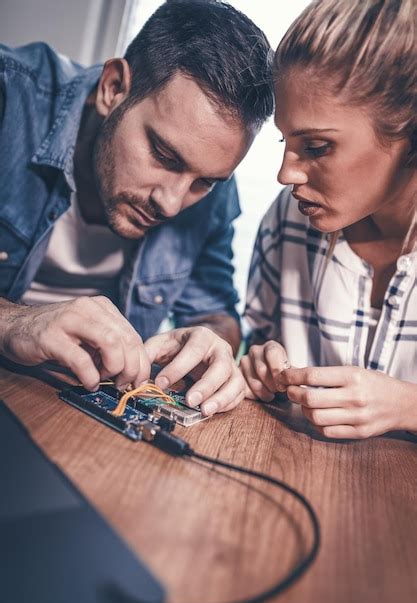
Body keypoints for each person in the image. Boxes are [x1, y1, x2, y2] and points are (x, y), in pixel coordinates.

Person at [0, 0, 274, 417]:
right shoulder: (10, 98)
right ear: (113, 88)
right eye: (164, 155)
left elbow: (216, 315)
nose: (171, 203)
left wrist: (207, 342)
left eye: (204, 182)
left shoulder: (214, 185)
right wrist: (14, 323)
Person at [241, 0, 417, 438]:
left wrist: (408, 407)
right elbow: (255, 345)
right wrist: (261, 364)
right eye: (285, 141)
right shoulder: (287, 221)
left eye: (317, 147)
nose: (286, 174)